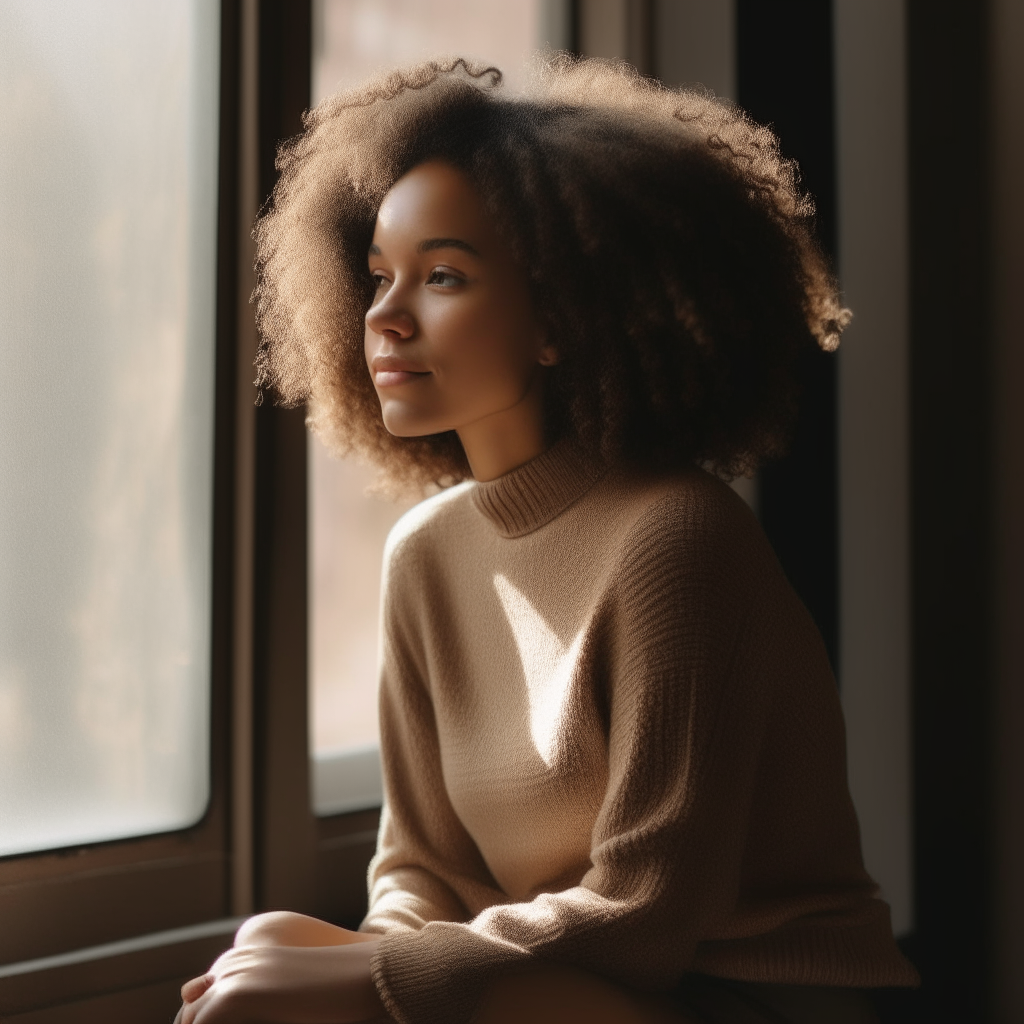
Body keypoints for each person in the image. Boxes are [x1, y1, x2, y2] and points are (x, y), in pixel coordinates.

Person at [175, 55, 919, 1024]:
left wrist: (377, 981)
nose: (386, 318)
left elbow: (647, 911)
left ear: (559, 317)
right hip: (560, 979)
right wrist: (374, 962)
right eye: (376, 277)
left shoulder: (676, 538)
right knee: (267, 943)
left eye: (442, 276)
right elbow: (420, 868)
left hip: (736, 995)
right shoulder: (426, 554)